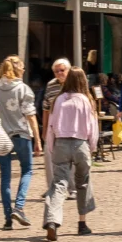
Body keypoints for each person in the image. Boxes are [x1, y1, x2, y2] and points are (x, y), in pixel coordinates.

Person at [44, 67, 99, 241]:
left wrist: (51, 147)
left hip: (61, 143)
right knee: (83, 183)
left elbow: (51, 126)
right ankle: (82, 223)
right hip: (80, 143)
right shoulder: (86, 100)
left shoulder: (58, 100)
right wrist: (92, 147)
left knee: (59, 184)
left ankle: (52, 220)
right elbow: (92, 127)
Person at [0, 55, 41, 229]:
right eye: (22, 67)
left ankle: (8, 218)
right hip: (21, 135)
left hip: (1, 136)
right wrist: (37, 139)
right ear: (17, 69)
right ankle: (19, 207)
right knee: (27, 170)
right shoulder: (23, 89)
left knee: (5, 177)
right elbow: (30, 116)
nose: (24, 69)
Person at [41, 58, 71, 197]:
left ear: (68, 70)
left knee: (70, 158)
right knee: (49, 157)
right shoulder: (51, 85)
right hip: (53, 126)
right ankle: (52, 187)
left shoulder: (74, 83)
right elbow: (46, 108)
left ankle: (72, 188)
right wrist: (44, 129)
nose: (59, 73)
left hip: (70, 126)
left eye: (62, 70)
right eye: (56, 71)